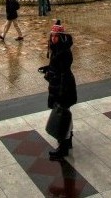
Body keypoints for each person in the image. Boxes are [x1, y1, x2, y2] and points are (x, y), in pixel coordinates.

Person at [39, 20, 77, 160]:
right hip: (60, 85)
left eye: (56, 36)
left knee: (62, 116)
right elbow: (57, 67)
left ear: (60, 37)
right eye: (52, 36)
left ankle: (63, 148)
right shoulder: (57, 49)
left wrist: (50, 75)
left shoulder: (64, 52)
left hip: (63, 87)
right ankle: (68, 140)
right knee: (64, 113)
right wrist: (48, 68)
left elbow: (62, 72)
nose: (53, 38)